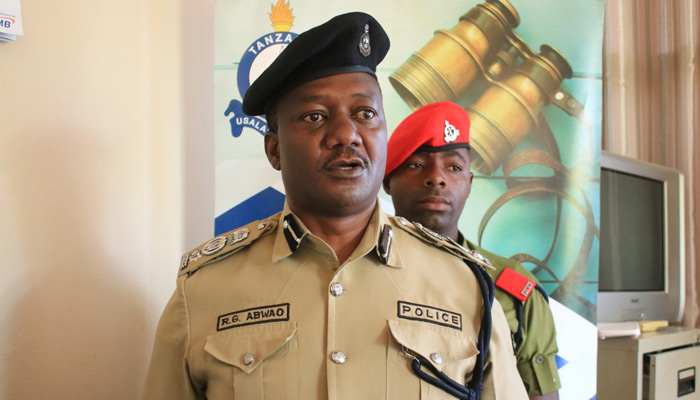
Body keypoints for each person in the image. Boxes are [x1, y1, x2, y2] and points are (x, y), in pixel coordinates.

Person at [142, 13, 527, 400]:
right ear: (274, 149)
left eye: (365, 114)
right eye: (315, 117)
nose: (346, 134)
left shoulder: (463, 285)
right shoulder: (204, 290)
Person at [383, 101, 561, 400]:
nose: (436, 178)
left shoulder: (512, 288)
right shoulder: (353, 272)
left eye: (453, 167)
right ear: (387, 180)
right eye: (416, 164)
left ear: (469, 183)